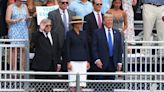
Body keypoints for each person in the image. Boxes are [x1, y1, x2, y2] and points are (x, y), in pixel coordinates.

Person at [48, 0, 75, 76]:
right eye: (63, 2)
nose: (65, 4)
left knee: (68, 59)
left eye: (67, 3)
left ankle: (67, 77)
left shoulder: (72, 13)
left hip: (69, 41)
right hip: (57, 41)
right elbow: (51, 28)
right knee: (57, 60)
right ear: (59, 3)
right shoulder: (52, 14)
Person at [92, 13, 122, 80]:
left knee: (110, 86)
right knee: (100, 86)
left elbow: (119, 48)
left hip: (113, 62)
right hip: (101, 63)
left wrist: (119, 62)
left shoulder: (117, 33)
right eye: (108, 20)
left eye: (111, 20)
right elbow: (94, 48)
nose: (110, 22)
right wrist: (97, 60)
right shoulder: (97, 32)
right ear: (103, 21)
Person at [65, 16, 90, 92]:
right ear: (74, 24)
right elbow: (67, 48)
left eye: (81, 23)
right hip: (73, 61)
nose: (80, 25)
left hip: (83, 60)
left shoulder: (84, 33)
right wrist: (68, 61)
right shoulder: (69, 34)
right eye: (78, 23)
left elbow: (86, 47)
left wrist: (88, 61)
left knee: (81, 84)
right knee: (73, 84)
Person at [6, 0, 31, 71]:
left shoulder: (25, 7)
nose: (23, 2)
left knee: (23, 49)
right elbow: (7, 19)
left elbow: (27, 17)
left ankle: (22, 68)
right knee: (14, 49)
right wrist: (15, 20)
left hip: (23, 29)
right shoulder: (11, 7)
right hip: (14, 29)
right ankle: (13, 68)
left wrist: (28, 18)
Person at [83, 0, 103, 79]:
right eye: (97, 4)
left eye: (101, 4)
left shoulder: (104, 16)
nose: (99, 6)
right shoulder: (87, 17)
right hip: (92, 47)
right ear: (93, 5)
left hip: (103, 49)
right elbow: (86, 34)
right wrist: (94, 43)